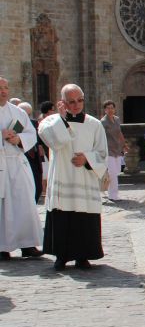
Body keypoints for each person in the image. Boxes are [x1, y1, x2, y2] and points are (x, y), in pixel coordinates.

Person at [38, 84, 108, 270]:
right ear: (63, 102)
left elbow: (102, 153)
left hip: (84, 178)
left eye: (80, 100)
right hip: (63, 176)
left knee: (84, 219)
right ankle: (61, 256)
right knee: (62, 217)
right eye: (71, 102)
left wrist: (87, 158)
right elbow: (55, 142)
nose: (77, 105)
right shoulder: (50, 122)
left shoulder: (94, 124)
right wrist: (61, 120)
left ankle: (83, 256)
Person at [0, 78, 43, 260]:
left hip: (17, 162)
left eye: (5, 87)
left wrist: (19, 140)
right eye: (0, 88)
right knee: (3, 208)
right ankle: (3, 247)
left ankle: (27, 244)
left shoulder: (18, 112)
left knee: (24, 203)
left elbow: (31, 133)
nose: (3, 91)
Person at [100, 100, 126, 202]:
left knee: (117, 171)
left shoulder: (117, 119)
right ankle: (113, 195)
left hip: (117, 148)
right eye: (108, 108)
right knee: (112, 173)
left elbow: (119, 132)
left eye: (112, 108)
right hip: (108, 149)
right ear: (105, 110)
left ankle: (108, 190)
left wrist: (124, 144)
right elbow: (100, 136)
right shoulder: (103, 122)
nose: (110, 110)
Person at [18, 102, 44, 203]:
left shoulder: (34, 123)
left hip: (34, 159)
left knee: (38, 187)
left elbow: (39, 139)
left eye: (29, 114)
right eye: (25, 114)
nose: (27, 117)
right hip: (23, 160)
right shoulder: (16, 124)